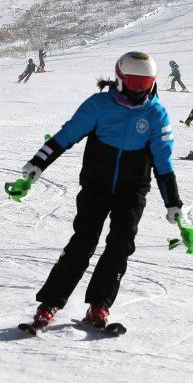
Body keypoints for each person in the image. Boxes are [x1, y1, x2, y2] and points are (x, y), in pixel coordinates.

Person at [17, 51, 183, 331]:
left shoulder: (156, 114)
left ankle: (99, 306)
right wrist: (38, 162)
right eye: (133, 82)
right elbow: (66, 135)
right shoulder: (98, 106)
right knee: (83, 242)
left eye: (145, 84)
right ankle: (50, 304)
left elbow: (163, 161)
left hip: (132, 190)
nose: (139, 90)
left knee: (120, 245)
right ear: (119, 79)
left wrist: (172, 201)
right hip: (96, 185)